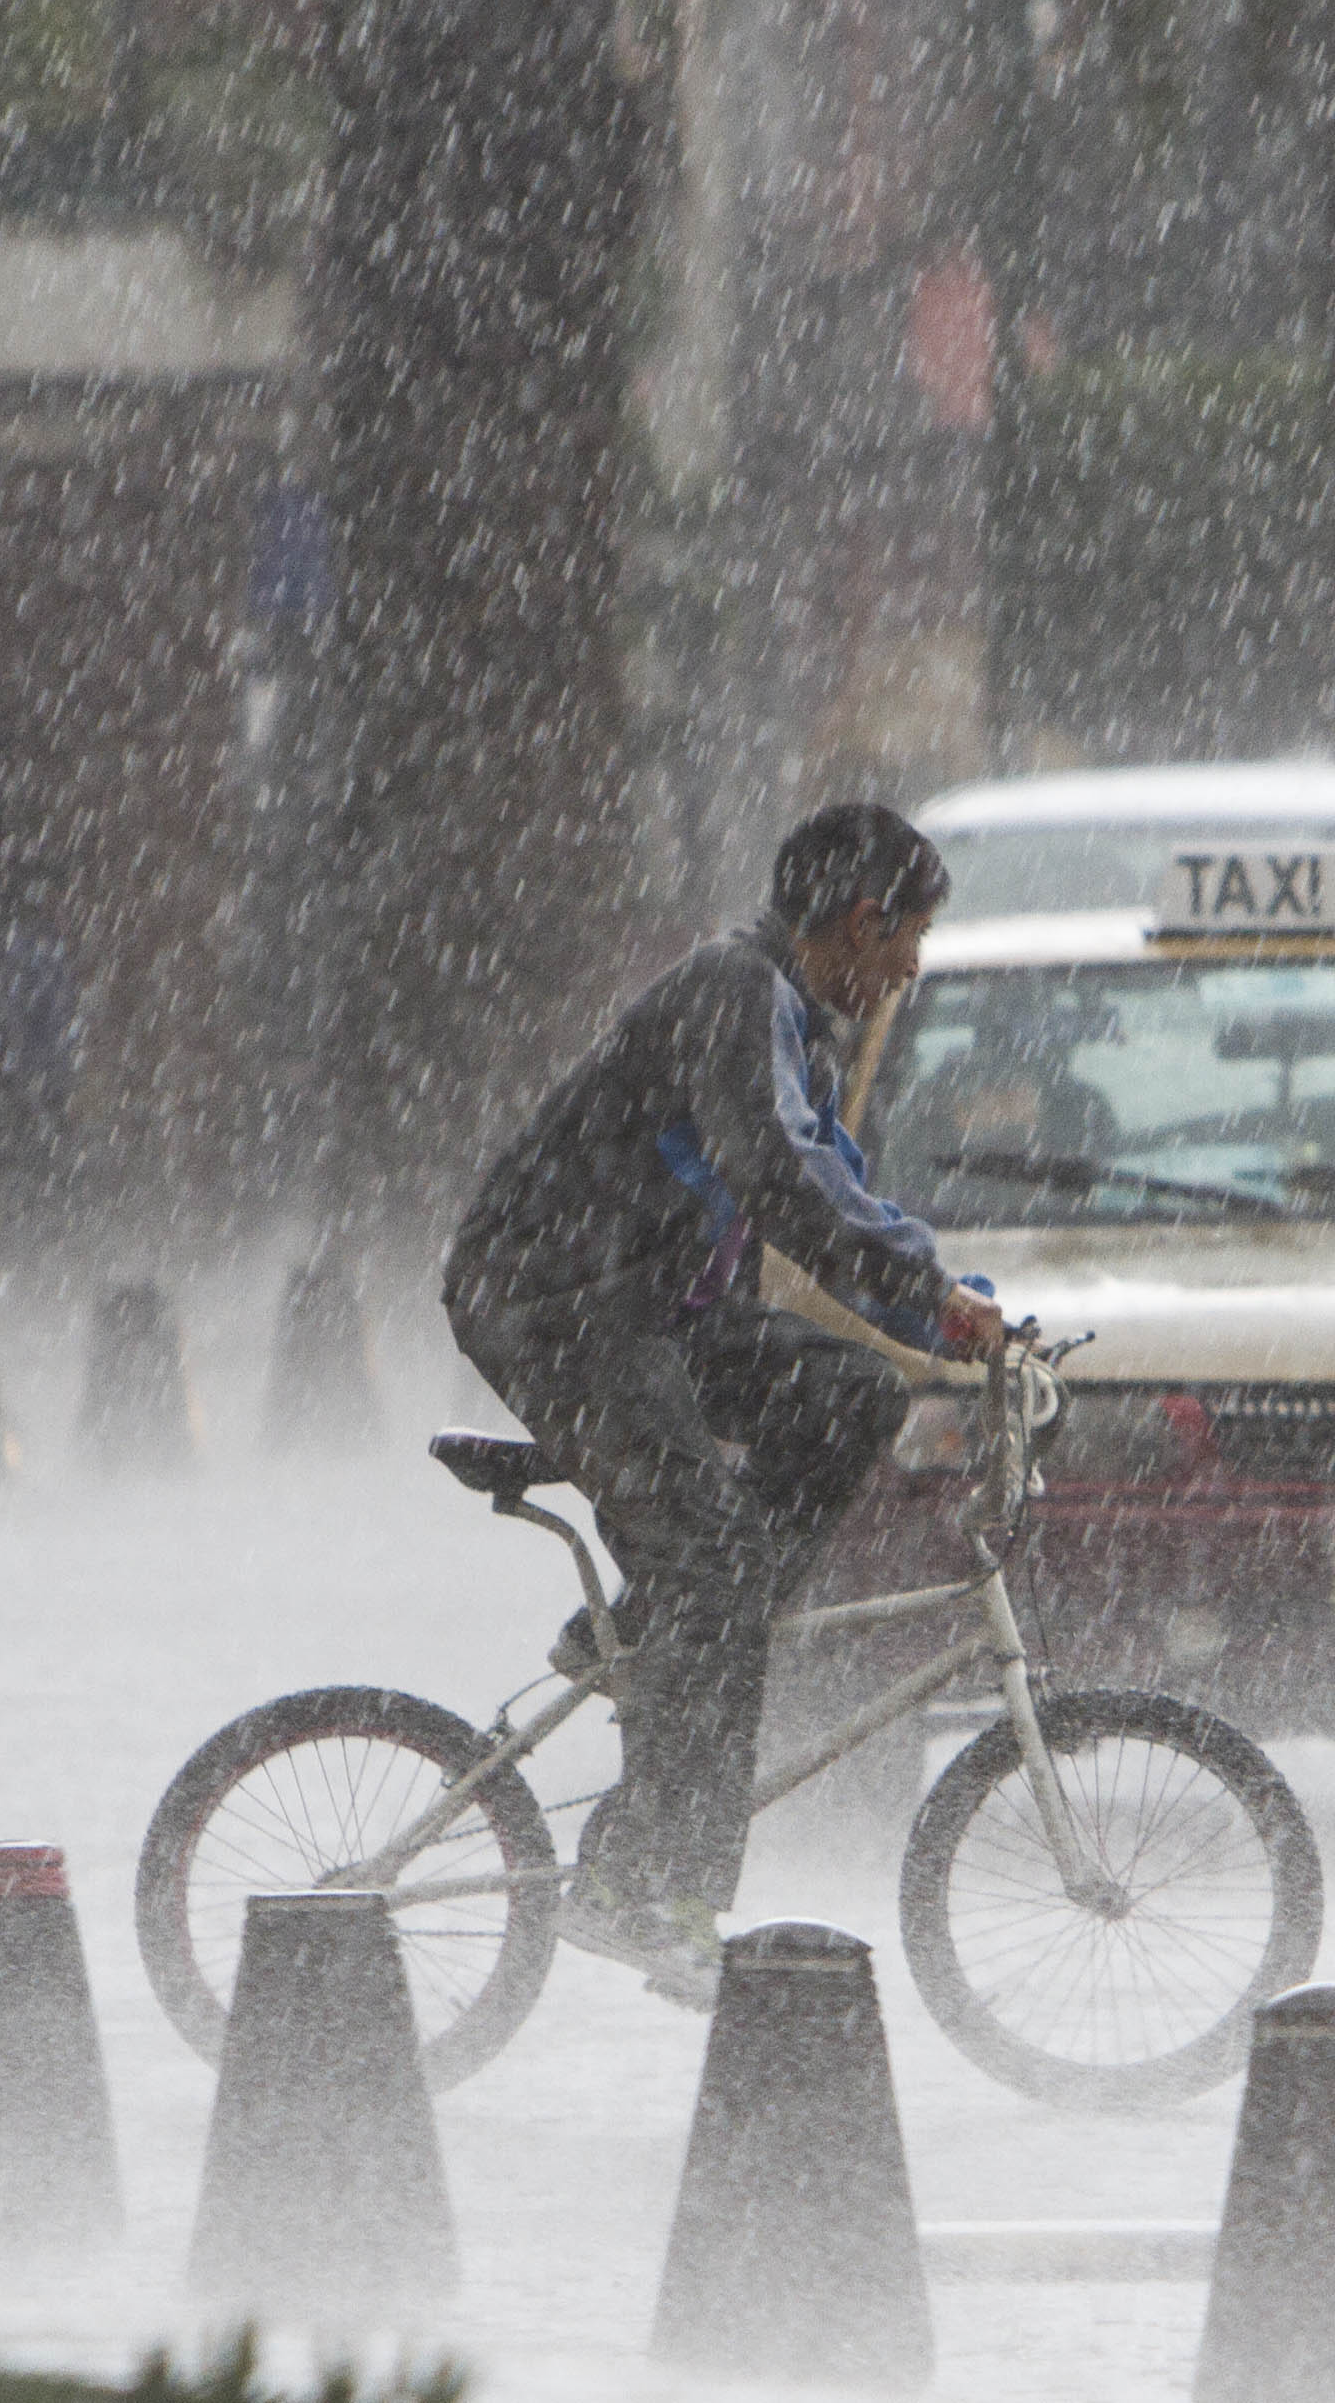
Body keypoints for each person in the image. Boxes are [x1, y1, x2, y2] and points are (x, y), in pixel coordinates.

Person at [442, 801, 1005, 2007]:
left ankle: (659, 1625)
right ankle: (646, 1886)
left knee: (850, 1394)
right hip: (561, 1300)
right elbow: (781, 1175)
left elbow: (833, 1177)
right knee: (711, 1554)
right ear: (862, 921)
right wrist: (924, 1297)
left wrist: (932, 1306)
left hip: (655, 1311)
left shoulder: (796, 1023)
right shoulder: (733, 990)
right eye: (909, 941)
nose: (909, 969)